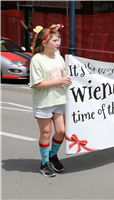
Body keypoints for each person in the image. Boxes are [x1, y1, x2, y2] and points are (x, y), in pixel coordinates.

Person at [29, 28, 72, 177]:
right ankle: (44, 163)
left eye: (58, 40)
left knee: (61, 131)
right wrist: (59, 80)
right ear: (45, 42)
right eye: (55, 40)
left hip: (59, 100)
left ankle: (53, 156)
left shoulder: (59, 58)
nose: (58, 43)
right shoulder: (37, 59)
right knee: (46, 133)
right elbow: (36, 84)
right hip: (43, 101)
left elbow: (65, 76)